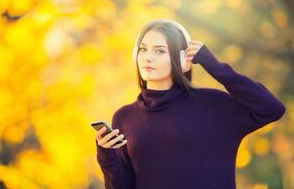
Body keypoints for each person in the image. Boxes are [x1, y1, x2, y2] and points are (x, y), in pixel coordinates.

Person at [95, 19, 286, 189]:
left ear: (182, 59)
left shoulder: (213, 105)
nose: (147, 57)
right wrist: (107, 155)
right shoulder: (124, 117)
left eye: (160, 51)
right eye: (143, 49)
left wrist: (215, 66)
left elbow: (272, 108)